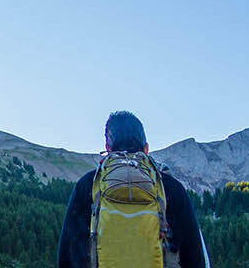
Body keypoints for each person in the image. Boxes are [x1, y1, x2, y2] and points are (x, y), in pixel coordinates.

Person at [57, 111, 208, 267]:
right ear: (146, 148)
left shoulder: (89, 184)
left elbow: (67, 256)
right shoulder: (170, 187)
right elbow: (194, 256)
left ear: (108, 148)